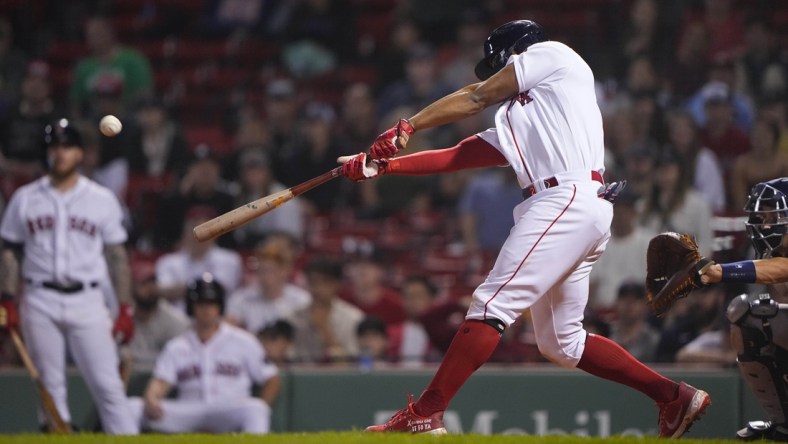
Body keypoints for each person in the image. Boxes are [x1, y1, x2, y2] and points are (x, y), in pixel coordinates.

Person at [338, 20, 709, 437]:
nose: (494, 73)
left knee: (491, 303)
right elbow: (458, 156)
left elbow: (476, 95)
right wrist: (380, 166)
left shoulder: (553, 54)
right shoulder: (526, 113)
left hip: (564, 197)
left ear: (512, 53)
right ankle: (672, 396)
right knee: (561, 344)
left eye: (496, 64)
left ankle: (427, 411)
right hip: (577, 205)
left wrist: (408, 126)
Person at [0, 119, 138, 434]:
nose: (60, 154)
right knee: (50, 386)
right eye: (54, 147)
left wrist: (125, 307)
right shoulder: (25, 198)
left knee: (109, 387)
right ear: (46, 153)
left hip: (88, 300)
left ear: (80, 153)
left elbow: (117, 257)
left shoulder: (101, 199)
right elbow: (9, 252)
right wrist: (6, 299)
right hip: (39, 298)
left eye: (67, 146)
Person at [694, 177, 788, 441]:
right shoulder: (777, 251)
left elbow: (782, 269)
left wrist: (720, 271)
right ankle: (783, 425)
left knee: (751, 312)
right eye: (764, 216)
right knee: (746, 315)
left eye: (774, 216)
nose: (765, 225)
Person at [128, 274, 280, 434]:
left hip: (229, 409)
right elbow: (161, 382)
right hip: (190, 411)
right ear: (191, 306)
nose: (206, 308)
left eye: (211, 303)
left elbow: (272, 379)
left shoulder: (243, 341)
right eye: (200, 303)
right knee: (132, 407)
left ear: (220, 306)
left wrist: (263, 406)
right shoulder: (177, 346)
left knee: (255, 408)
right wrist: (151, 398)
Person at [123, 261, 190, 373]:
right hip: (129, 377)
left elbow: (183, 359)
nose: (150, 289)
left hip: (164, 379)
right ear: (132, 288)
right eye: (144, 284)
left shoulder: (175, 320)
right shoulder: (124, 317)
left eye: (153, 282)